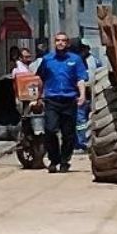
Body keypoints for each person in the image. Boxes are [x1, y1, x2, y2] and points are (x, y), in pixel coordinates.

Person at [37, 31, 88, 173]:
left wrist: (82, 95)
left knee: (68, 133)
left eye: (63, 41)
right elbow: (40, 79)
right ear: (55, 43)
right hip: (51, 100)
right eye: (58, 40)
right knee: (50, 130)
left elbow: (80, 79)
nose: (60, 43)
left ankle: (65, 161)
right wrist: (37, 97)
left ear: (68, 43)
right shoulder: (47, 60)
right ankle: (54, 159)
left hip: (69, 100)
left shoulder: (75, 60)